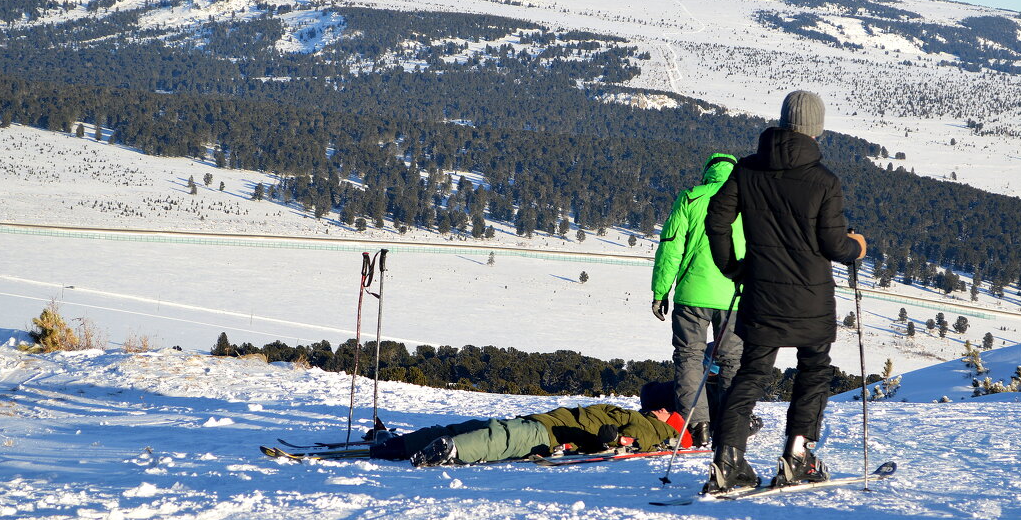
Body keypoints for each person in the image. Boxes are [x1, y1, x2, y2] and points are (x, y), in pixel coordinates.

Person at [703, 90, 866, 492]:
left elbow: (716, 221)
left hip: (761, 291)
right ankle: (797, 456)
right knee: (813, 371)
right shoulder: (824, 180)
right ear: (817, 129)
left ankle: (728, 460)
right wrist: (856, 247)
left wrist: (733, 267)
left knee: (750, 373)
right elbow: (832, 244)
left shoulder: (746, 170)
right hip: (811, 295)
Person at [651, 152, 745, 448]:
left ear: (708, 173)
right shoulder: (749, 201)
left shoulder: (690, 198)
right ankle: (730, 427)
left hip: (691, 295)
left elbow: (670, 249)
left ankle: (697, 426)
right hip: (735, 295)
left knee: (689, 357)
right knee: (733, 361)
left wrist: (660, 292)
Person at [365, 381, 688, 466]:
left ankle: (450, 450)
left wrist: (614, 440)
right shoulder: (644, 419)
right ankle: (397, 444)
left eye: (660, 408)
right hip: (548, 422)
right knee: (481, 426)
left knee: (500, 437)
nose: (654, 409)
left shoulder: (656, 429)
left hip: (550, 433)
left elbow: (629, 443)